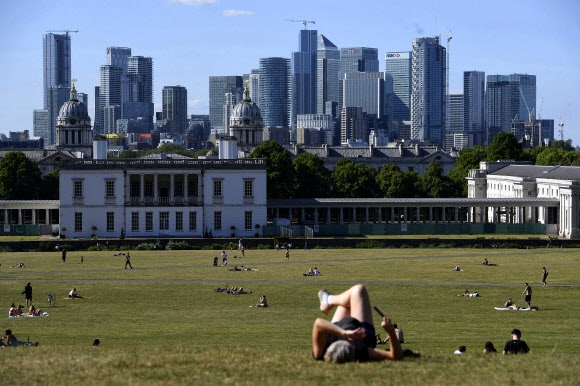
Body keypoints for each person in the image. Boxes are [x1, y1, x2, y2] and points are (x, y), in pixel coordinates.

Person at [312, 284, 410, 363]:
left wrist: (343, 333)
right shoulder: (361, 351)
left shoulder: (321, 352)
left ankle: (328, 300)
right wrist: (391, 332)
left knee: (348, 300)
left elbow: (318, 323)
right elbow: (395, 356)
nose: (351, 338)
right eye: (351, 341)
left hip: (338, 327)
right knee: (358, 290)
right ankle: (329, 299)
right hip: (363, 331)